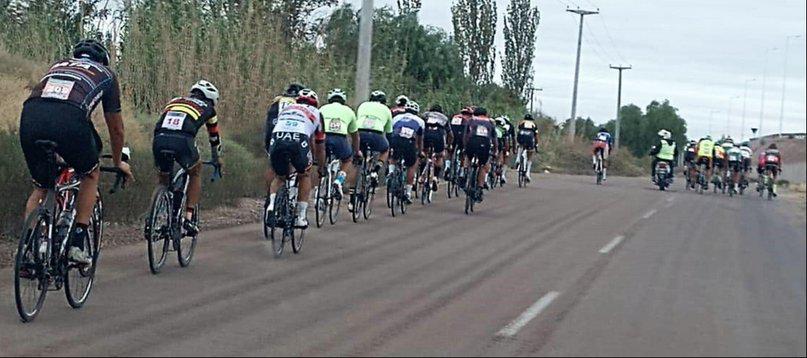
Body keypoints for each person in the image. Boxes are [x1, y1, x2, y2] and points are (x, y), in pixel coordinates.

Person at [19, 39, 134, 265]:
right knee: (91, 174)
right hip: (70, 118)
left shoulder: (58, 65)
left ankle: (29, 250)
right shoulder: (107, 74)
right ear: (102, 61)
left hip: (30, 116)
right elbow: (117, 129)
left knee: (41, 186)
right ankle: (77, 245)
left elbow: (52, 105)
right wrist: (119, 161)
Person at [152, 80, 223, 236]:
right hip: (183, 140)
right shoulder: (209, 109)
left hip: (159, 138)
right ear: (211, 99)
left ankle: (155, 218)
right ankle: (188, 218)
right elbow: (214, 138)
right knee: (196, 171)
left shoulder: (174, 101)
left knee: (164, 178)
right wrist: (216, 159)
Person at [266, 89, 326, 228]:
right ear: (315, 103)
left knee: (279, 176)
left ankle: (271, 206)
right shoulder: (317, 113)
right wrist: (321, 167)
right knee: (304, 174)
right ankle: (301, 217)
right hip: (299, 139)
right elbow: (320, 145)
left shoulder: (287, 108)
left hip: (277, 137)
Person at [264, 83, 304, 197]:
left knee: (273, 165)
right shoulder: (299, 103)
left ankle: (270, 195)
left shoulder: (276, 101)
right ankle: (290, 192)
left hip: (272, 133)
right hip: (290, 133)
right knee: (294, 160)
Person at [319, 89, 361, 198]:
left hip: (323, 138)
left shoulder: (322, 108)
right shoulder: (349, 111)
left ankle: (321, 177)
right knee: (347, 159)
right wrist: (356, 151)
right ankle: (339, 180)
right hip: (340, 139)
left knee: (319, 159)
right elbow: (355, 135)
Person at [389, 102, 425, 203]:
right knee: (411, 165)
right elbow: (420, 139)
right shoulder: (420, 121)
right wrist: (420, 151)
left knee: (393, 158)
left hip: (396, 140)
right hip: (409, 142)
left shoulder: (396, 118)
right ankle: (408, 193)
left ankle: (391, 172)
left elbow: (390, 131)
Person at [355, 91, 393, 186]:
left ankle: (359, 165)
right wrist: (390, 145)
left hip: (360, 132)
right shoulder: (386, 109)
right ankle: (375, 171)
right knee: (385, 150)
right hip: (376, 134)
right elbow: (389, 132)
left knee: (358, 152)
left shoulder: (362, 105)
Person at [462, 107, 498, 202]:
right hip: (484, 144)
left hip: (472, 143)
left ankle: (464, 173)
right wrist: (495, 151)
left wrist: (465, 147)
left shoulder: (471, 120)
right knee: (483, 165)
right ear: (485, 114)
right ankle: (480, 188)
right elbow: (494, 139)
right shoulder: (490, 122)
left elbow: (466, 135)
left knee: (468, 156)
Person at [422, 104, 452, 191]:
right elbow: (450, 134)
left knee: (423, 153)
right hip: (438, 137)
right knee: (440, 156)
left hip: (426, 135)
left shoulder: (425, 115)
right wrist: (448, 146)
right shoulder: (444, 118)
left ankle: (421, 175)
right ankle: (435, 177)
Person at [447, 107, 473, 178]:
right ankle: (461, 171)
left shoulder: (455, 117)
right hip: (462, 136)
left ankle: (447, 165)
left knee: (450, 151)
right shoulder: (470, 119)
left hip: (453, 135)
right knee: (463, 152)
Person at [516, 113, 539, 182]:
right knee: (530, 153)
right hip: (530, 137)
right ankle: (528, 173)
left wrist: (518, 142)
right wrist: (536, 144)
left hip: (521, 135)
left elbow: (518, 132)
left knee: (520, 145)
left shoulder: (521, 123)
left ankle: (518, 158)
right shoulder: (534, 124)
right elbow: (536, 136)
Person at [493, 115, 515, 184]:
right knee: (504, 157)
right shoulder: (507, 128)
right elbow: (510, 139)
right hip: (503, 145)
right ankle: (502, 174)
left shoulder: (493, 127)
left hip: (492, 144)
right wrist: (512, 148)